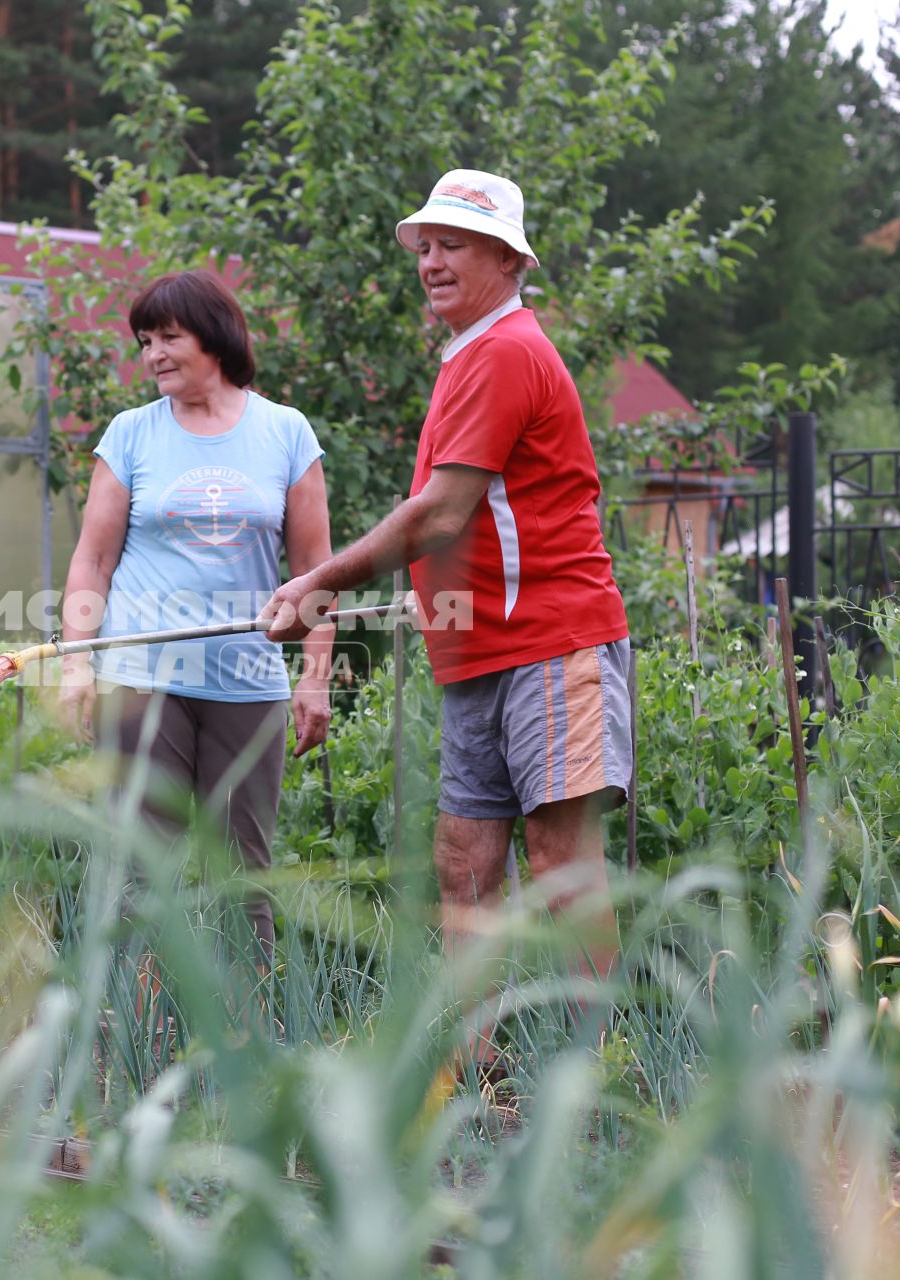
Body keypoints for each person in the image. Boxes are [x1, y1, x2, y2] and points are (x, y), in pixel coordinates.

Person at [261, 168, 631, 1008]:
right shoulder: (468, 357)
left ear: (506, 256)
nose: (429, 260)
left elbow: (438, 515)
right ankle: (475, 1068)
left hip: (551, 642)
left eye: (451, 243)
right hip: (476, 657)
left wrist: (316, 582)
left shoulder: (507, 352)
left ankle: (597, 1069)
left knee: (561, 860)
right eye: (424, 246)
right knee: (464, 864)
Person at [59, 269, 334, 961]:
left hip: (247, 679)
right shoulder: (129, 435)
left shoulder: (286, 434)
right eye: (144, 340)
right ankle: (135, 1045)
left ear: (213, 336)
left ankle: (249, 1044)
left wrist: (316, 676)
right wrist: (75, 664)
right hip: (141, 673)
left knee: (241, 871)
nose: (152, 354)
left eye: (168, 337)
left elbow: (316, 575)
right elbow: (91, 561)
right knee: (141, 868)